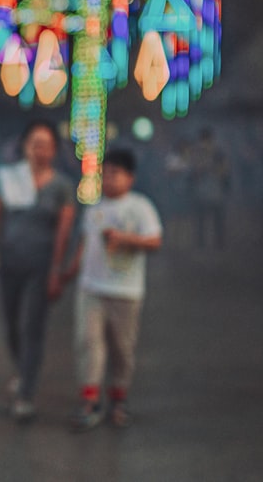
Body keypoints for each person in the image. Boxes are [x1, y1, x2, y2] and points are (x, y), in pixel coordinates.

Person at [0, 119, 76, 423]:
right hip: (10, 260)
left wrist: (56, 270)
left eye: (46, 145)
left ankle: (26, 393)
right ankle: (22, 369)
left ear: (54, 150)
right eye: (35, 144)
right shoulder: (8, 179)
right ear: (24, 147)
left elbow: (64, 231)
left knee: (32, 327)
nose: (40, 150)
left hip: (41, 263)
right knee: (11, 325)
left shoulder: (61, 186)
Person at [62, 148, 162, 431]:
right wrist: (69, 272)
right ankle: (90, 401)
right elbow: (84, 244)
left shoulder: (140, 207)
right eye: (106, 174)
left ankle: (118, 399)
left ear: (130, 178)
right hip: (90, 288)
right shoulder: (95, 209)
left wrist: (124, 238)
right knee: (88, 343)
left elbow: (155, 242)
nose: (110, 180)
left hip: (125, 291)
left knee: (122, 348)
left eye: (116, 174)